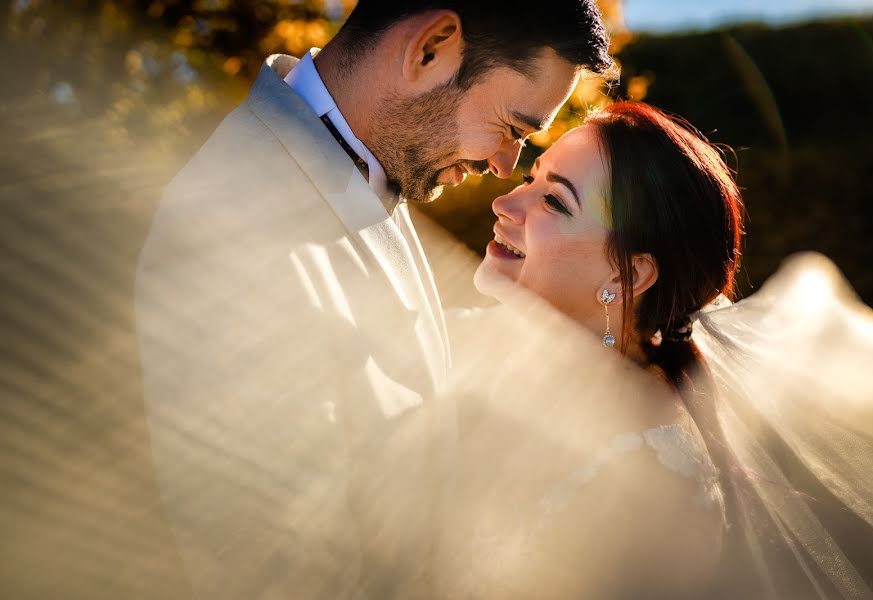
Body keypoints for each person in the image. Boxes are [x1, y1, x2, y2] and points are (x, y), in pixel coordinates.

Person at [133, 2, 613, 599]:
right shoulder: (229, 224)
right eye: (512, 129)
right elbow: (274, 569)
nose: (502, 166)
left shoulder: (374, 166)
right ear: (431, 47)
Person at [441, 102, 873, 598]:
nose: (505, 204)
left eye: (554, 202)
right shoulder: (479, 347)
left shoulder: (653, 485)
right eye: (531, 179)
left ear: (630, 275)